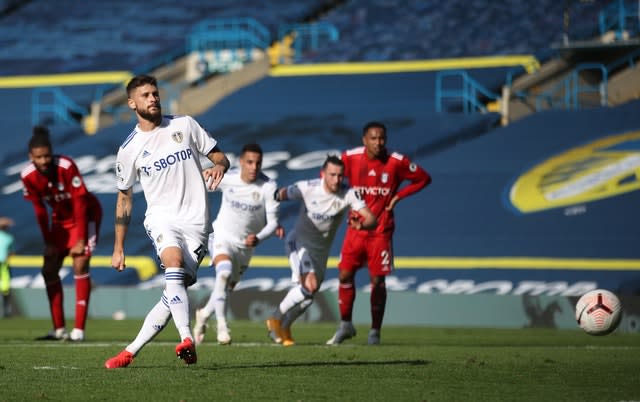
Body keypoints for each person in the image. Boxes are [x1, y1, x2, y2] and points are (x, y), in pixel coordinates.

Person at [104, 74, 230, 369]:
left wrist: (219, 166)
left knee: (174, 292)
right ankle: (187, 338)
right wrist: (118, 246)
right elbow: (124, 198)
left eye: (155, 93)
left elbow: (221, 157)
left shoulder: (185, 125)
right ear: (132, 103)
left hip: (197, 223)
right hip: (162, 218)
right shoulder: (129, 149)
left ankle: (130, 351)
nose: (153, 98)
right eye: (146, 95)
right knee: (172, 263)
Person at [327, 121, 431, 345]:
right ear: (364, 140)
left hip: (381, 231)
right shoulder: (350, 157)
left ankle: (375, 332)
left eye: (381, 138)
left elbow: (423, 178)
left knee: (378, 280)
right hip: (355, 229)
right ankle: (345, 324)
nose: (378, 142)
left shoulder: (396, 162)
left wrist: (398, 196)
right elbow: (327, 173)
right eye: (373, 138)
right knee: (344, 275)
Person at [265, 155, 377, 346]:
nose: (337, 180)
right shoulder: (307, 187)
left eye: (340, 176)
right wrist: (272, 220)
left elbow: (371, 218)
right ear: (323, 174)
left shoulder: (348, 193)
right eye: (332, 175)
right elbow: (278, 195)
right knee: (309, 286)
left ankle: (285, 325)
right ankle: (275, 319)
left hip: (320, 253)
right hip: (298, 244)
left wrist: (362, 225)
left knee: (308, 297)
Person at [192, 143, 282, 345]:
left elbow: (274, 222)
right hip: (222, 236)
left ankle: (204, 314)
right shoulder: (228, 177)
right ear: (241, 162)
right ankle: (223, 327)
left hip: (246, 246)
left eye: (257, 163)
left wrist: (259, 237)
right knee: (222, 274)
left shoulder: (268, 186)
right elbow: (198, 185)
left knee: (227, 287)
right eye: (249, 162)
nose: (253, 167)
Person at [20, 126, 103, 341]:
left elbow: (80, 203)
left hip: (85, 217)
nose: (44, 160)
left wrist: (81, 239)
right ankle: (58, 329)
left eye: (47, 155)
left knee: (80, 262)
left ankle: (79, 331)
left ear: (52, 152)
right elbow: (39, 211)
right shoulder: (27, 176)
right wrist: (48, 242)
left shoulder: (66, 166)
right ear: (31, 157)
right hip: (60, 222)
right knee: (49, 269)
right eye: (39, 157)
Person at [0, 217, 15, 318]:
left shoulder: (9, 238)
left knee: (5, 288)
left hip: (3, 265)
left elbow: (11, 252)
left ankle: (7, 310)